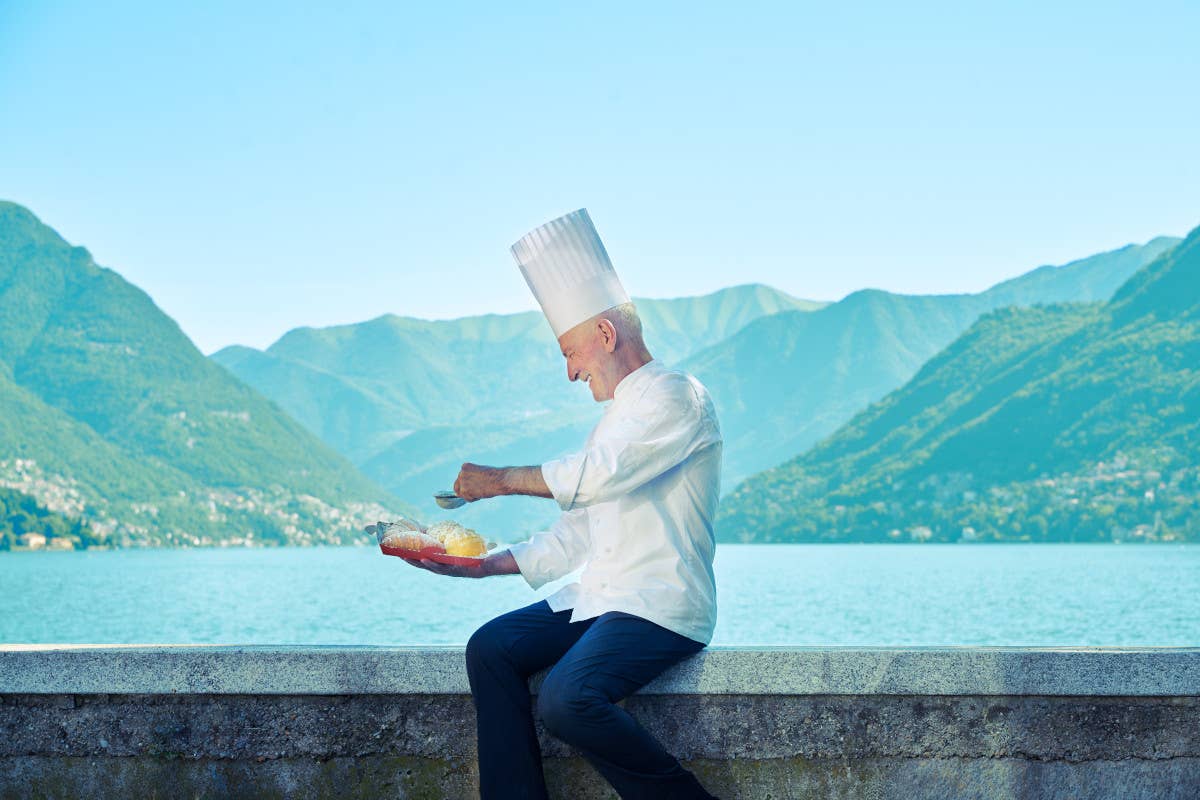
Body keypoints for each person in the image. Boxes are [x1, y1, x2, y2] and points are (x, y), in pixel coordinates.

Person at [405, 208, 722, 800]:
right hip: (604, 600)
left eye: (571, 353)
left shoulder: (679, 398)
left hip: (661, 604)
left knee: (567, 699)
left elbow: (596, 478)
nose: (572, 373)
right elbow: (582, 529)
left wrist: (499, 480)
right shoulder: (614, 421)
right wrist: (487, 564)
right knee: (491, 648)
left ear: (605, 335)